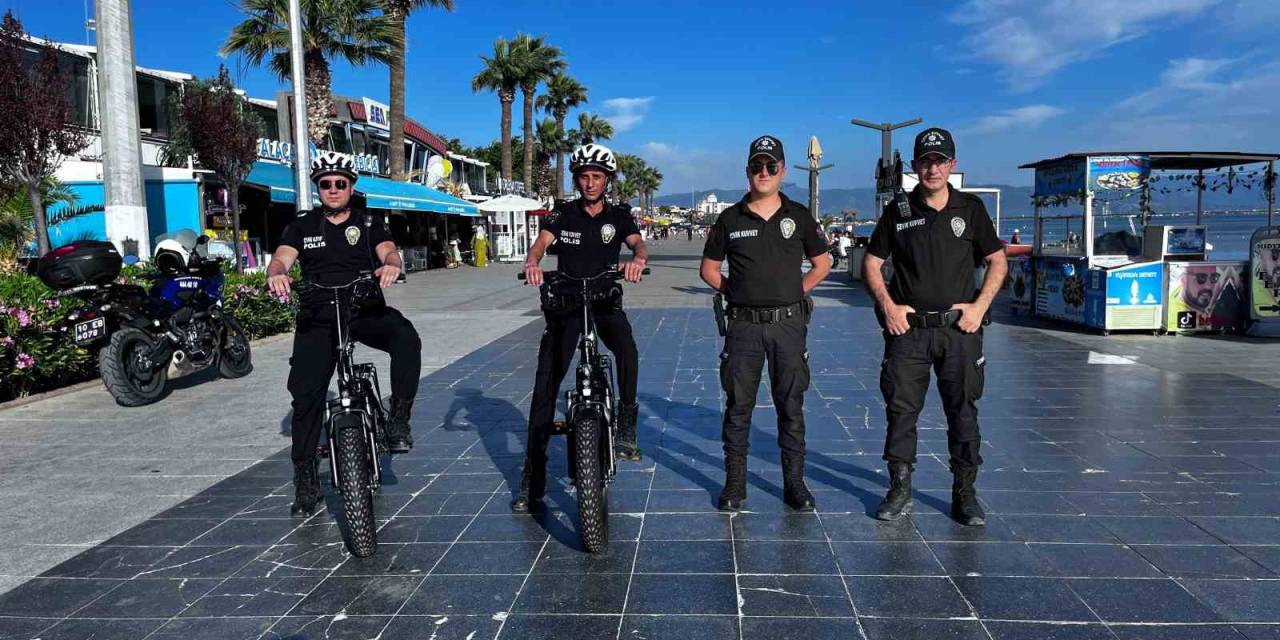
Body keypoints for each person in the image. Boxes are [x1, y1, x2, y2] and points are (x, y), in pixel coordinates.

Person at [862, 127, 1007, 526]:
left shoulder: (970, 209)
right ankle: (900, 488)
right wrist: (888, 307)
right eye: (925, 161)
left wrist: (979, 307)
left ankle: (965, 493)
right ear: (915, 166)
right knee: (901, 411)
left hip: (959, 331)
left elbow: (998, 261)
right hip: (908, 333)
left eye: (940, 161)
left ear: (952, 165)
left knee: (962, 410)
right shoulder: (898, 212)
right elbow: (872, 263)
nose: (933, 168)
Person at [266, 151, 422, 517]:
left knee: (406, 338)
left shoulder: (370, 223)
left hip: (363, 309)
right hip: (318, 314)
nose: (333, 190)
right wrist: (276, 273)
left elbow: (390, 252)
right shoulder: (301, 226)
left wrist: (391, 266)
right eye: (326, 184)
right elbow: (282, 258)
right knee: (305, 398)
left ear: (351, 187)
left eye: (340, 183)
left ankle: (398, 417)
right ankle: (306, 481)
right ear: (318, 188)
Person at [512, 143, 649, 513]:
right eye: (584, 177)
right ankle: (533, 479)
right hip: (567, 302)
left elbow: (638, 246)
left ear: (607, 180)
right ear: (577, 179)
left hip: (603, 298)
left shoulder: (619, 216)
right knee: (545, 387)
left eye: (597, 177)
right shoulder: (562, 214)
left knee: (627, 348)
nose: (590, 183)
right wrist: (532, 263)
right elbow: (540, 245)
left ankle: (627, 423)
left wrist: (636, 261)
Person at [700, 135, 832, 512]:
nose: (764, 172)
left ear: (782, 171)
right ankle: (735, 485)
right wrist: (735, 291)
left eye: (771, 166)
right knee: (738, 407)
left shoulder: (799, 216)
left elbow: (822, 264)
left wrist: (794, 291)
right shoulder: (729, 218)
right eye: (757, 166)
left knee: (790, 405)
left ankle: (794, 484)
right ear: (747, 172)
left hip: (788, 326)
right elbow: (708, 270)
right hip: (743, 326)